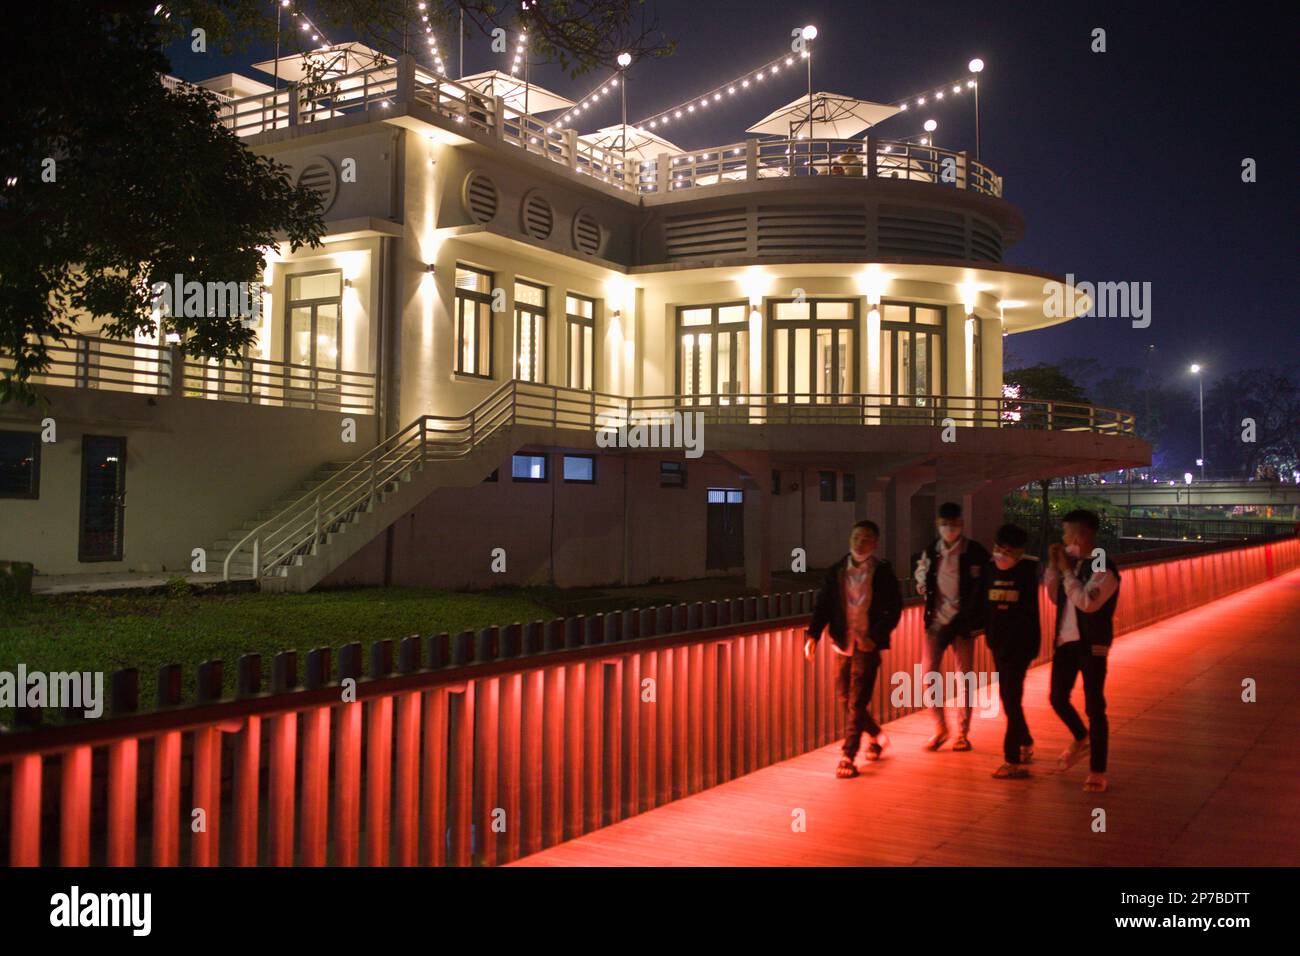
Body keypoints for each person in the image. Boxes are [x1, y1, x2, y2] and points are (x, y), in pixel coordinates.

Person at [804, 519, 904, 778]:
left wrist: (877, 635)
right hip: (842, 642)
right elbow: (823, 605)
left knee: (857, 701)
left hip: (867, 644)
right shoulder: (837, 570)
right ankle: (876, 735)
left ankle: (848, 756)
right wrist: (812, 635)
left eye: (867, 539)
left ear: (875, 543)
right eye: (857, 537)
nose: (861, 543)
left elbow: (893, 608)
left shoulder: (882, 572)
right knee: (844, 698)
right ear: (850, 539)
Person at [1044, 508, 1121, 793]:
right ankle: (1081, 738)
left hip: (1092, 644)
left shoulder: (1102, 563)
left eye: (1066, 533)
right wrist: (1055, 567)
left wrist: (1065, 570)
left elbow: (1088, 602)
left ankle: (1098, 770)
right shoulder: (1074, 564)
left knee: (1094, 707)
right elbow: (1055, 596)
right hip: (1066, 642)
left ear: (1080, 534)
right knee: (1057, 698)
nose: (1064, 539)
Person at [914, 501, 990, 752]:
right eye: (945, 524)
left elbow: (985, 585)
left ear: (961, 524)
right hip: (936, 622)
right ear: (938, 525)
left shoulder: (975, 551)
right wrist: (923, 586)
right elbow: (922, 575)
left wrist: (976, 615)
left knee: (964, 678)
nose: (950, 528)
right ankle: (940, 728)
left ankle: (962, 733)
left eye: (954, 524)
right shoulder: (931, 551)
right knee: (928, 675)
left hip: (964, 623)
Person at [984, 523, 1040, 779]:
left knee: (1011, 698)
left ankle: (1013, 759)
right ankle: (1025, 741)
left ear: (1020, 551)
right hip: (997, 643)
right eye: (998, 548)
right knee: (1010, 698)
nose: (1002, 555)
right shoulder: (989, 568)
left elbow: (1027, 614)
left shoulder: (1028, 571)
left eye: (1008, 550)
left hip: (1020, 646)